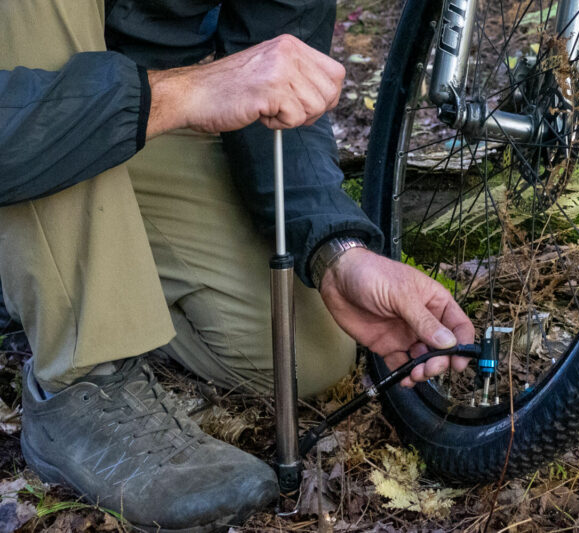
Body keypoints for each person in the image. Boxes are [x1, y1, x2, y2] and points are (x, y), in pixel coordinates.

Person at [0, 1, 474, 530]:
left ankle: (35, 261)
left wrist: (339, 253)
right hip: (31, 103)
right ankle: (82, 379)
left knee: (306, 354)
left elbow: (275, 69)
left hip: (140, 114)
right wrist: (188, 92)